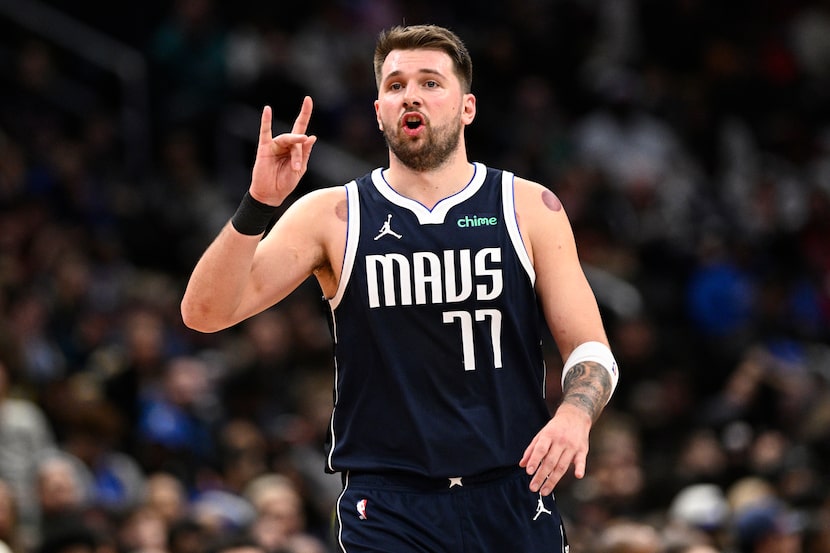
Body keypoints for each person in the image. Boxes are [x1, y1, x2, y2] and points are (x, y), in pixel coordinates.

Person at [182, 23, 619, 552]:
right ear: (379, 111)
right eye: (395, 85)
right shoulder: (332, 214)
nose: (411, 94)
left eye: (431, 83)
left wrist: (575, 413)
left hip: (512, 488)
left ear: (467, 107)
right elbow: (204, 312)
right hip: (388, 503)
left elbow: (590, 347)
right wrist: (257, 203)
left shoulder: (528, 206)